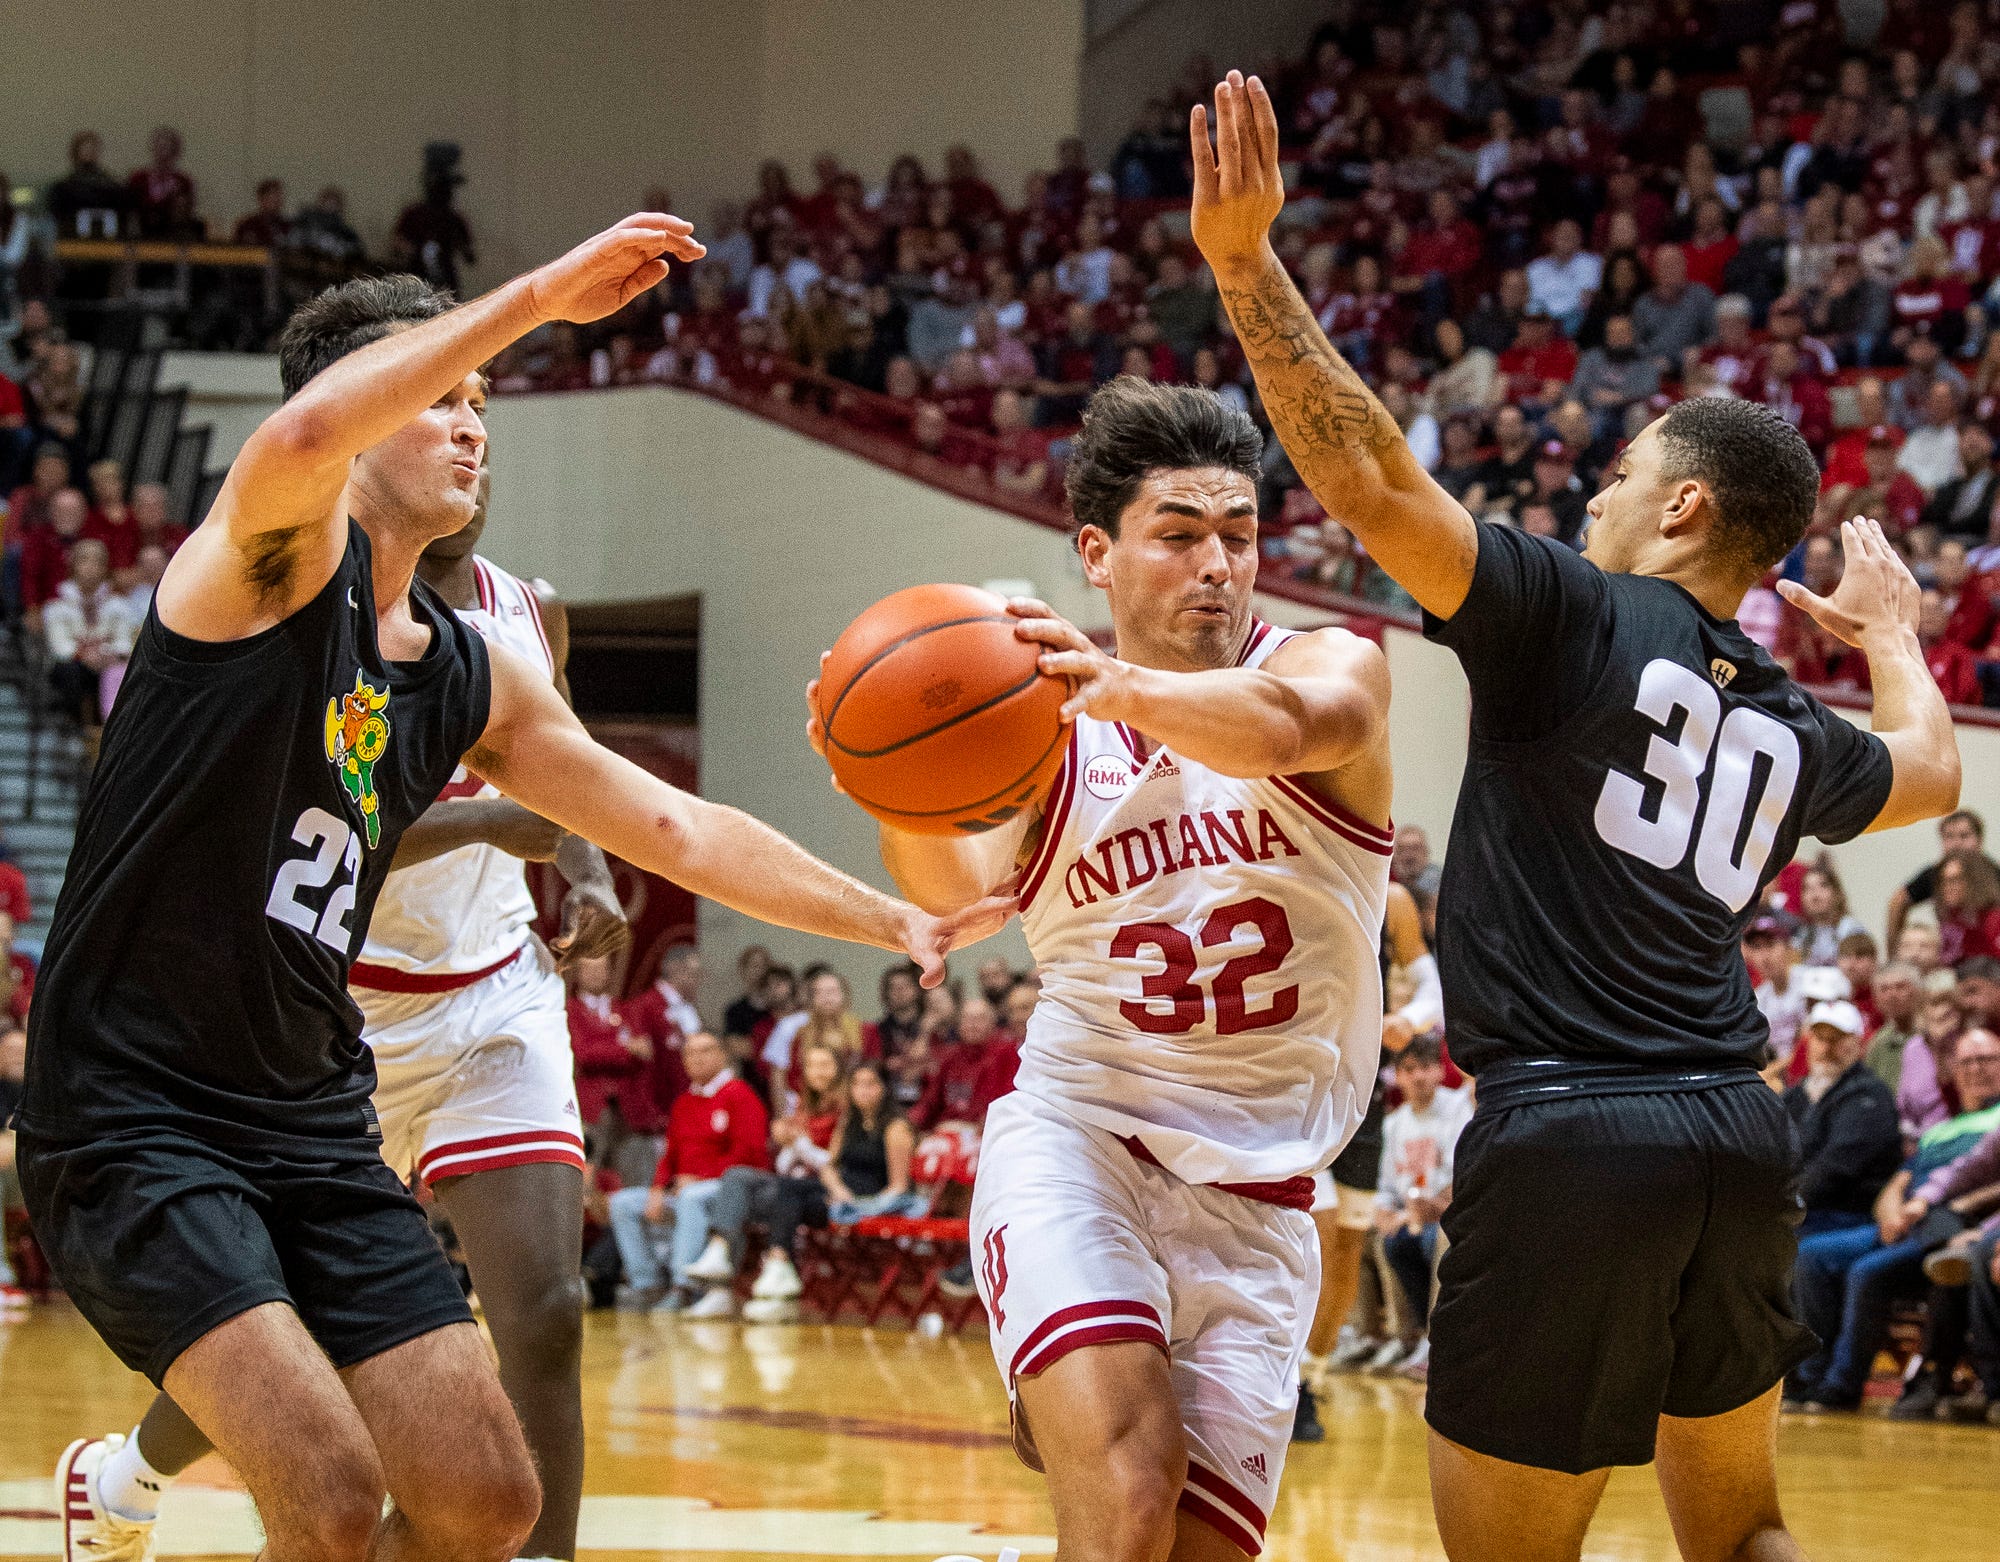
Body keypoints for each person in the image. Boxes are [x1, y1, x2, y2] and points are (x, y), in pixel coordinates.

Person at [16, 214, 1004, 1562]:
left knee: (490, 1494)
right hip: (140, 1107)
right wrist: (538, 295)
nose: (474, 426)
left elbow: (677, 826)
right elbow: (302, 444)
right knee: (324, 1484)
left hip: (308, 1107)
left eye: (484, 404)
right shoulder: (250, 574)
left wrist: (892, 916)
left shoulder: (474, 665)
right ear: (357, 418)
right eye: (440, 399)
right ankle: (125, 1480)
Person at [1192, 71, 1958, 1561]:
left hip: (1569, 1134)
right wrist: (1892, 635)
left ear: (1680, 511)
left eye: (1620, 476)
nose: (1596, 499)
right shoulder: (1792, 723)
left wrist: (1243, 261)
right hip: (1740, 1137)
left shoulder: (1571, 610)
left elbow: (1363, 475)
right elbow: (1929, 774)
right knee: (1743, 1533)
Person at [809, 370, 1395, 1558]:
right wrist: (886, 778)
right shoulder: (1033, 726)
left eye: (1238, 534)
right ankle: (1076, 1347)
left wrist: (1121, 687)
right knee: (1128, 1494)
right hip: (1083, 1139)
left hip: (1261, 1192)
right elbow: (951, 882)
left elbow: (1294, 727)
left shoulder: (1335, 659)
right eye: (1177, 536)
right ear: (1097, 552)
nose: (1217, 564)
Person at [67, 465, 634, 1562]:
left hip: (491, 991)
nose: (466, 458)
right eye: (438, 423)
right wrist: (480, 827)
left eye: (480, 426)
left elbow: (566, 778)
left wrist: (590, 864)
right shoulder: (313, 633)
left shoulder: (532, 609)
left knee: (549, 1308)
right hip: (329, 1009)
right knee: (305, 1332)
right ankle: (125, 1472)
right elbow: (295, 826)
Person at [1789, 1028, 2000, 1412]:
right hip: (1904, 1224)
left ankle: (1839, 1388)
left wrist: (1947, 1207)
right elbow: (1898, 1182)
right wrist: (1892, 1214)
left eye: (1986, 1060)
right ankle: (1807, 1377)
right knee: (1811, 1255)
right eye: (1967, 1061)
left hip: (1949, 1232)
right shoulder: (1940, 1131)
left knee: (1866, 1272)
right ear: (1952, 1071)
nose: (1976, 1069)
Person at [606, 1030, 770, 1316]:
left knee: (691, 1197)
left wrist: (702, 1178)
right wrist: (657, 1189)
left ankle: (683, 1287)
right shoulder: (684, 1102)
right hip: (682, 1189)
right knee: (622, 1203)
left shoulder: (740, 1096)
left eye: (705, 1050)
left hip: (728, 1189)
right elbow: (669, 1155)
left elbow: (749, 1154)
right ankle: (647, 1283)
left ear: (722, 1054)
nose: (696, 1058)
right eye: (690, 1053)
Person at [687, 1037, 845, 1319]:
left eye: (825, 1065)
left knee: (777, 1194)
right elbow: (785, 1165)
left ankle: (743, 1284)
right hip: (790, 1185)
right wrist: (786, 1145)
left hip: (822, 1191)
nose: (818, 1072)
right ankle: (719, 1260)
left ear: (839, 1069)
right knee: (735, 1179)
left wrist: (800, 1144)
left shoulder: (845, 1110)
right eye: (811, 1065)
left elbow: (832, 1164)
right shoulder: (801, 1108)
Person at [1371, 1037, 1473, 1382]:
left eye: (1425, 1068)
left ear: (1441, 1071)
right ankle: (1402, 1338)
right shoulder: (1393, 1123)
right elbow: (1385, 1187)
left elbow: (1465, 1171)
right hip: (1411, 1215)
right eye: (1409, 1069)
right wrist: (1384, 1211)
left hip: (1450, 1214)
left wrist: (1437, 1203)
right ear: (1397, 1076)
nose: (1417, 1077)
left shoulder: (1458, 1108)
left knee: (1437, 1240)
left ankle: (1435, 1342)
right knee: (1385, 1240)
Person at [1783, 1001, 1903, 1236]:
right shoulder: (1795, 1096)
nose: (1826, 1047)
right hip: (1802, 1209)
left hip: (1849, 1214)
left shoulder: (1869, 1095)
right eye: (1820, 1038)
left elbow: (1835, 1167)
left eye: (1837, 1039)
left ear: (1858, 1044)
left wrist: (1778, 1205)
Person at [821, 1059, 924, 1223]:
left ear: (885, 1087)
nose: (863, 1091)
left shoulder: (896, 1127)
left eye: (870, 1084)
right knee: (792, 1192)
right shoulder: (848, 1121)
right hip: (842, 1196)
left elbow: (899, 1187)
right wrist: (838, 1190)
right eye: (857, 1084)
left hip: (878, 1203)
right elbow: (829, 1166)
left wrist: (863, 1207)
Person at [1886, 809, 1992, 945]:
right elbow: (1898, 901)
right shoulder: (1936, 874)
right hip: (1950, 952)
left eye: (1964, 836)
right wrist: (1895, 951)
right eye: (1949, 837)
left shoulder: (1993, 874)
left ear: (1979, 839)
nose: (1957, 844)